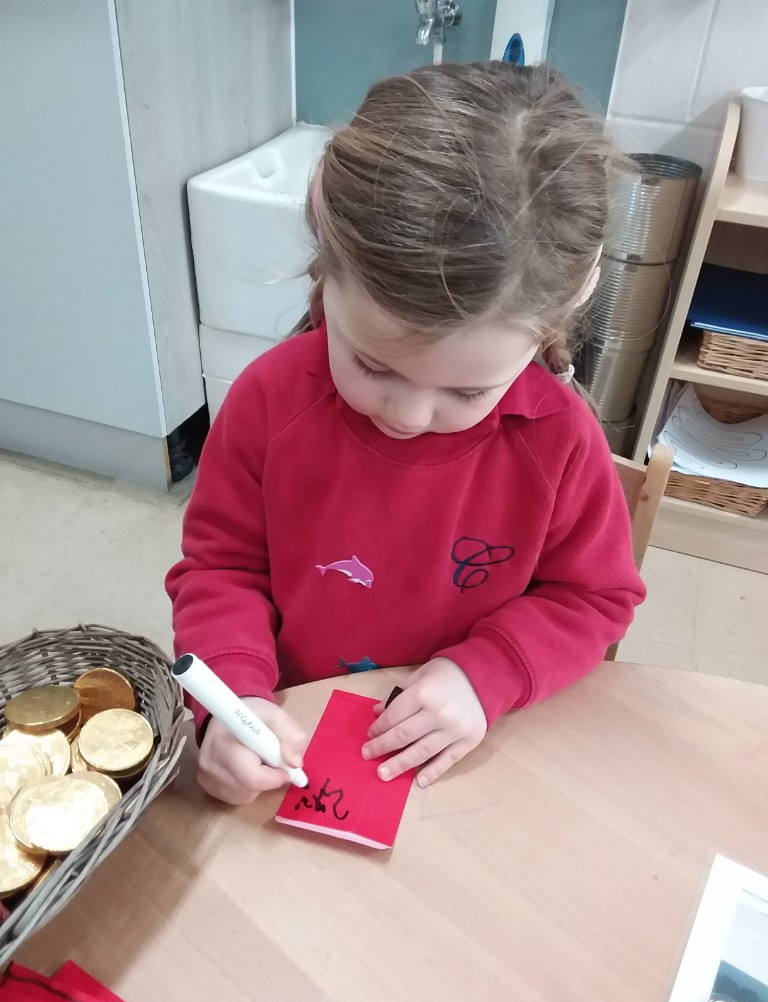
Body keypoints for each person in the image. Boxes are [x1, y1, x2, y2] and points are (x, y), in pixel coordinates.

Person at [166, 61, 645, 805]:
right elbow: (221, 569)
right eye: (371, 364)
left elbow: (595, 598)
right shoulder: (269, 402)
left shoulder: (558, 442)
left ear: (551, 323)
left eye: (467, 391)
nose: (409, 414)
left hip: (472, 761)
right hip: (293, 740)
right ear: (325, 271)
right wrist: (230, 704)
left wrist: (488, 671)